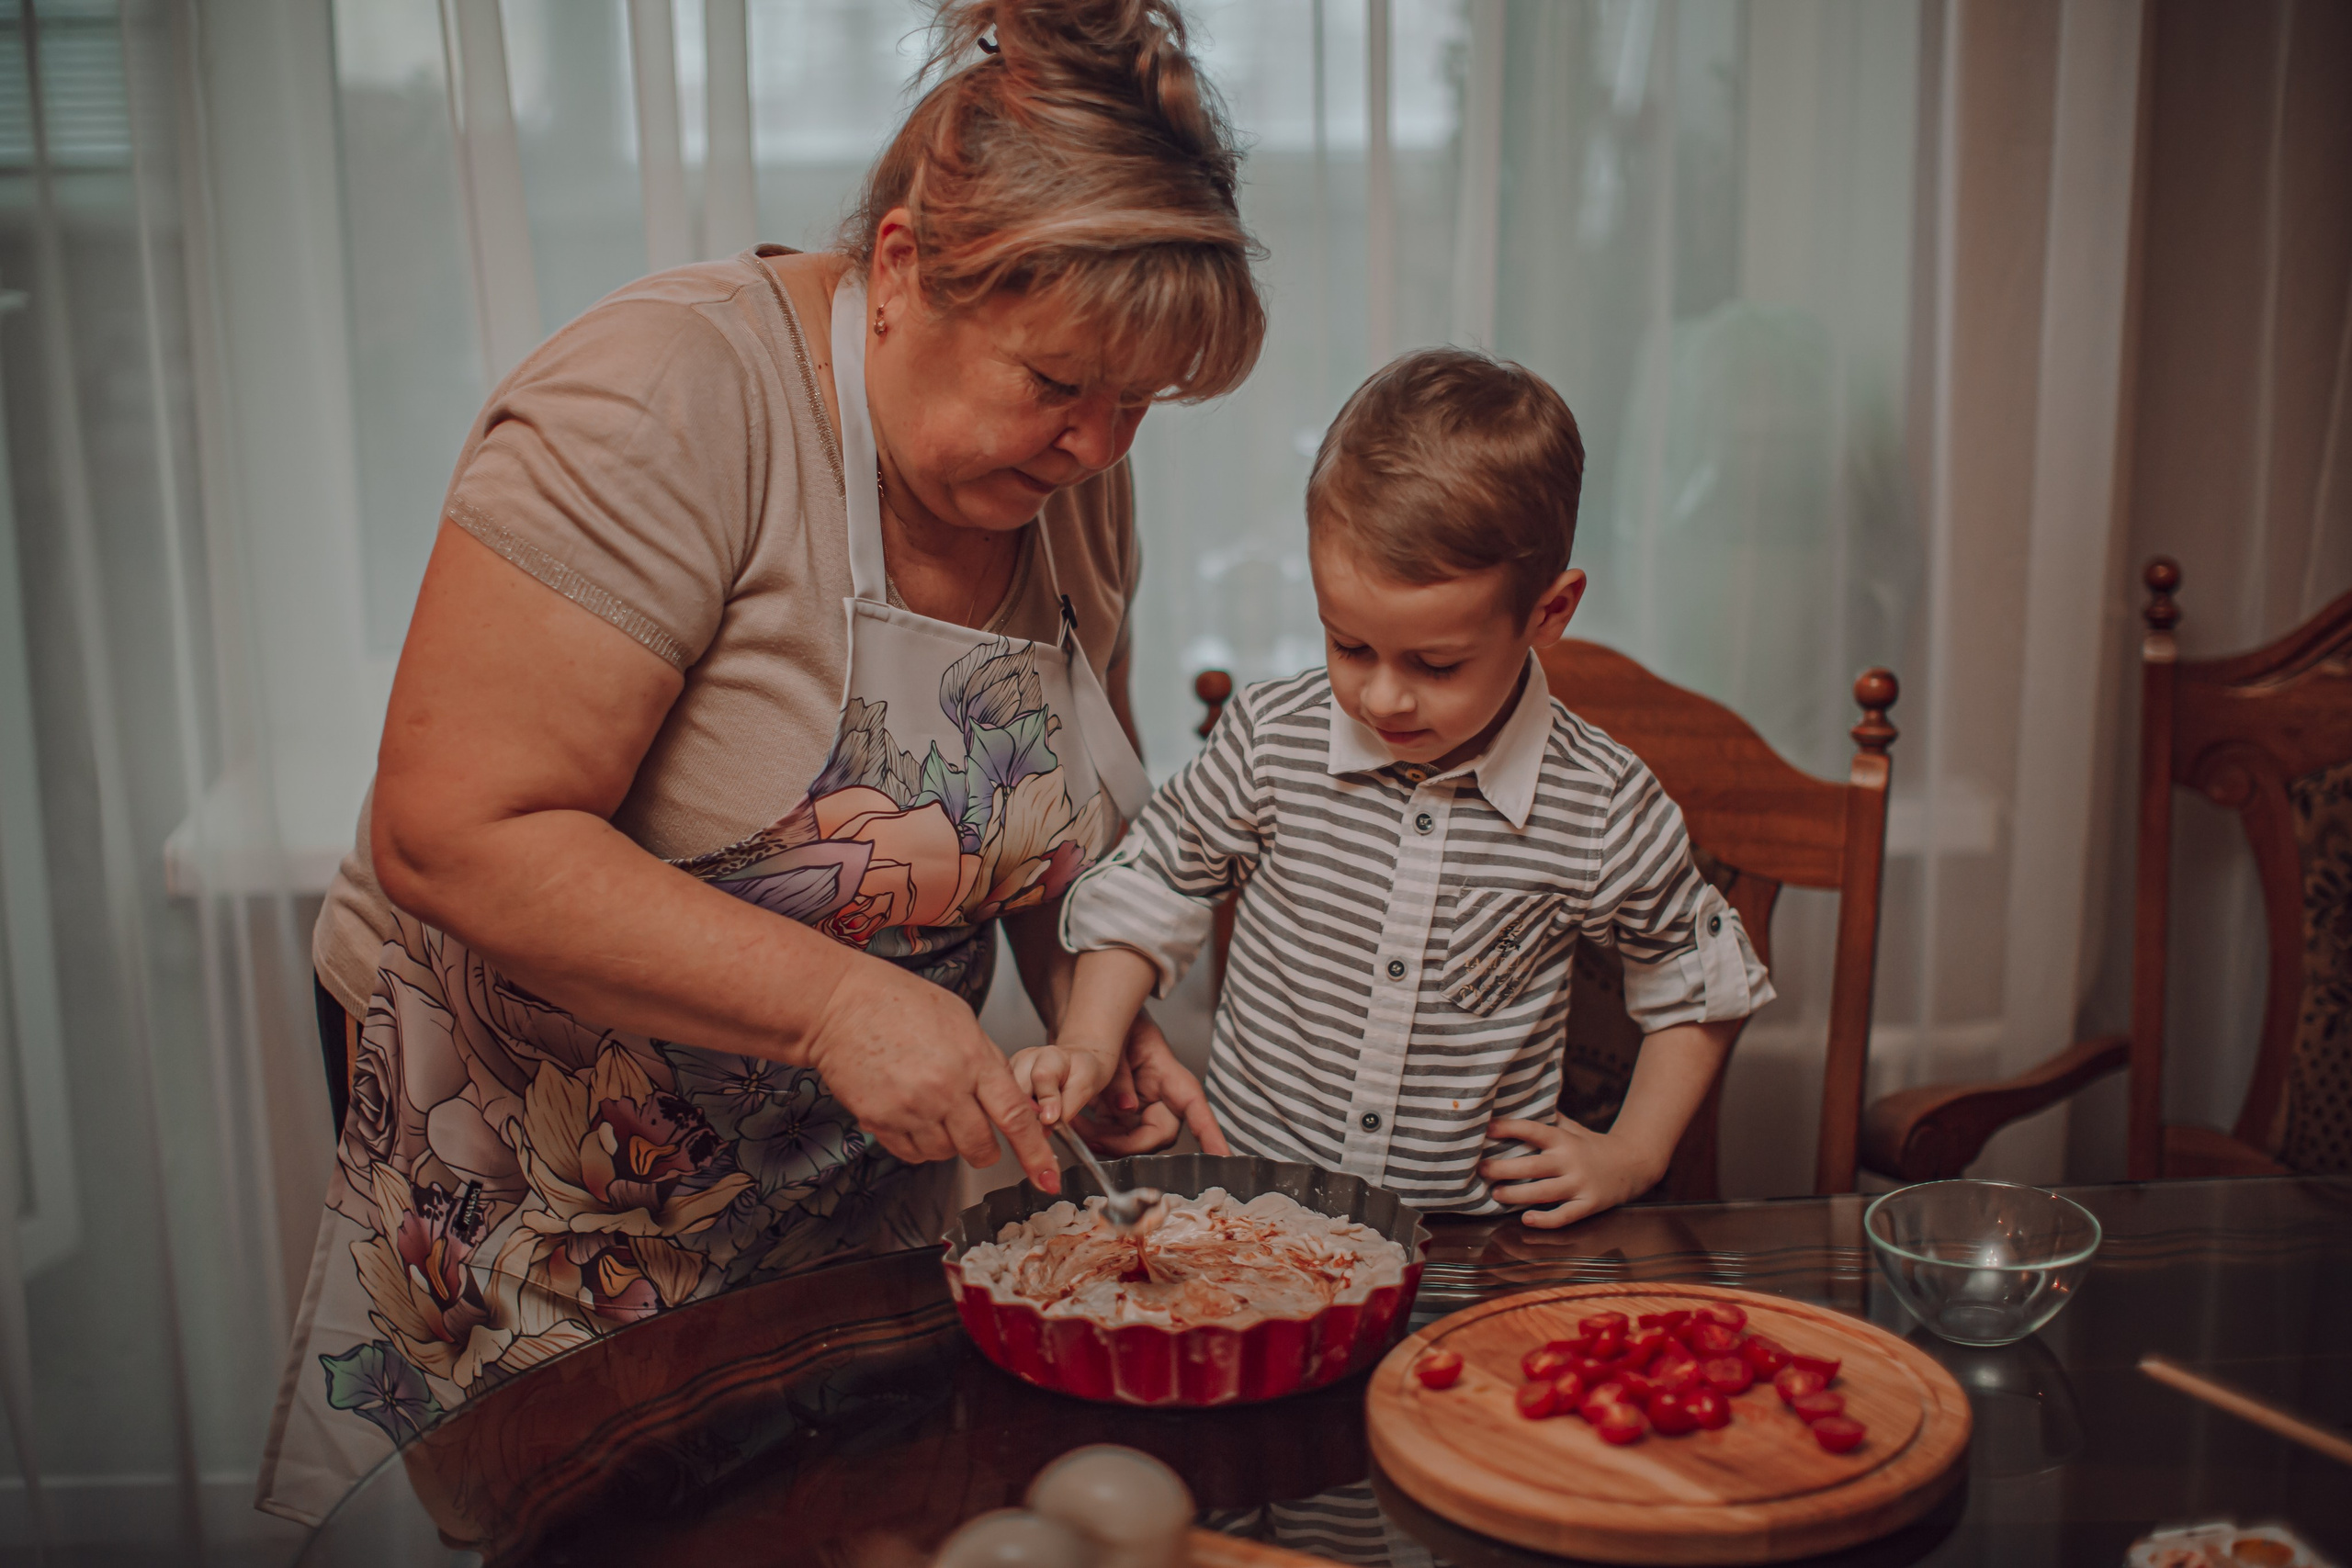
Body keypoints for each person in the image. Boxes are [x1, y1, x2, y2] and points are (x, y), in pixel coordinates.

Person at [260, 0, 1254, 1523]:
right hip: (554, 1175)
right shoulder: (662, 403)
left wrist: (1090, 1011)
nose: (1103, 446)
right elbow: (455, 831)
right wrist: (848, 1002)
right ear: (905, 266)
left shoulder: (1059, 471)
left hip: (842, 1179)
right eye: (1062, 385)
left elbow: (1058, 818)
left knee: (837, 1515)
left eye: (1137, 405)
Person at [1016, 348, 1775, 1226]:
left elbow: (1701, 978)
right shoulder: (1270, 738)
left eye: (1436, 663)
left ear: (1549, 612)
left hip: (1469, 1242)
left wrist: (1634, 1153)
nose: (1381, 696)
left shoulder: (1602, 803)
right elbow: (1152, 887)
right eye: (1349, 646)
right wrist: (1090, 1038)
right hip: (1256, 1215)